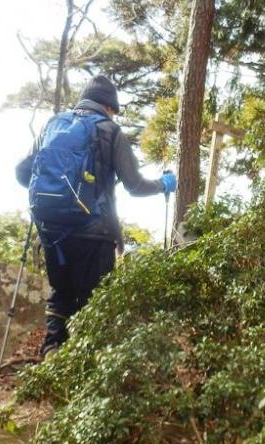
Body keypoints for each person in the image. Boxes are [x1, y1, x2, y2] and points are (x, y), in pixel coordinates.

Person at [16, 75, 176, 357]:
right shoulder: (109, 130)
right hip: (94, 232)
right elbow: (135, 186)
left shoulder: (52, 124)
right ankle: (87, 363)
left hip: (52, 231)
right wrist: (163, 185)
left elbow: (21, 173)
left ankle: (53, 348)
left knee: (61, 293)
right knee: (96, 300)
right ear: (109, 106)